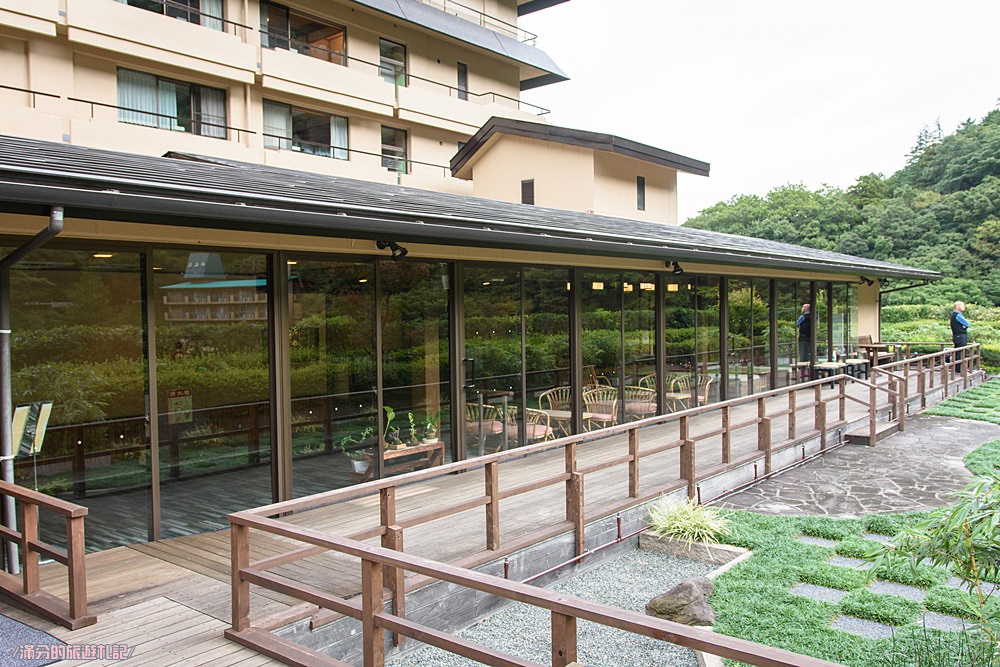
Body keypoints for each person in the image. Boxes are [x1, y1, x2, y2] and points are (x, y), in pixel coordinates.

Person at [950, 301, 971, 371]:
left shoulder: (954, 314)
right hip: (960, 336)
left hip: (956, 336)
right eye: (962, 305)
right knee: (960, 353)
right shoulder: (958, 315)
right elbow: (967, 324)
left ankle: (957, 369)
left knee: (958, 352)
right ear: (958, 307)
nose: (964, 307)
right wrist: (964, 326)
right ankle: (958, 370)